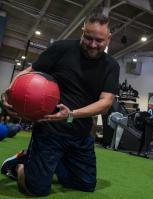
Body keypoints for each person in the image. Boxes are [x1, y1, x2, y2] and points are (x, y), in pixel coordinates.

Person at [0, 8, 119, 196]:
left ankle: (51, 163)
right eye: (88, 38)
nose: (93, 44)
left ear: (109, 38)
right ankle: (18, 165)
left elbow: (105, 103)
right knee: (36, 190)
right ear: (82, 31)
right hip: (50, 131)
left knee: (85, 185)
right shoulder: (62, 48)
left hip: (80, 135)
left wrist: (72, 114)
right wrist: (10, 90)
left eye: (99, 40)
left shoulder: (111, 66)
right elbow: (30, 71)